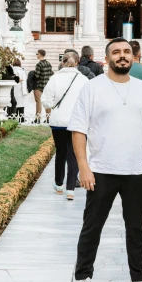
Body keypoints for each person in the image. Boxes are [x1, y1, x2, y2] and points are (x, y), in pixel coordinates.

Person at [68, 37, 142, 282]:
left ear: (133, 57)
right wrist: (83, 167)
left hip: (137, 171)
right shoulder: (92, 88)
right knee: (92, 228)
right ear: (107, 58)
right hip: (101, 170)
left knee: (137, 230)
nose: (122, 56)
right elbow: (78, 130)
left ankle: (139, 280)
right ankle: (82, 279)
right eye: (116, 52)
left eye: (126, 52)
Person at [42, 54, 89, 200]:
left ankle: (59, 184)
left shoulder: (55, 78)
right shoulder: (83, 80)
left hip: (59, 122)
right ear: (77, 62)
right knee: (74, 154)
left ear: (62, 62)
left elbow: (47, 102)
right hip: (78, 122)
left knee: (61, 152)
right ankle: (70, 189)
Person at [33, 49, 53, 122]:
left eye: (37, 54)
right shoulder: (48, 64)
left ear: (40, 55)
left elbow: (37, 76)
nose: (36, 55)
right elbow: (51, 74)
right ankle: (48, 118)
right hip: (47, 86)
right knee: (47, 102)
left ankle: (37, 118)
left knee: (38, 102)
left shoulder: (39, 64)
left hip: (39, 86)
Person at [10, 59, 27, 123]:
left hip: (12, 90)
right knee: (20, 105)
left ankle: (12, 118)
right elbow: (24, 82)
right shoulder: (22, 71)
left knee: (12, 104)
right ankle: (21, 119)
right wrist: (24, 92)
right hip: (20, 91)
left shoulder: (11, 71)